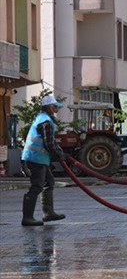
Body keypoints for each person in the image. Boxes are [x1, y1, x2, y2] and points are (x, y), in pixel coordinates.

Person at [21, 94, 67, 226]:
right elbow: (49, 144)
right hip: (35, 158)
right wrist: (59, 156)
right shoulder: (45, 122)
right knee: (37, 185)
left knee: (49, 181)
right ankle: (27, 217)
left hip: (38, 158)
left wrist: (60, 152)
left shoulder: (42, 118)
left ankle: (48, 213)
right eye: (55, 107)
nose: (56, 110)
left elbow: (51, 141)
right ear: (49, 108)